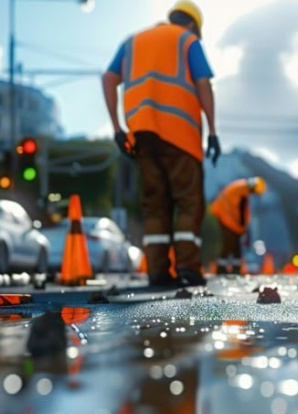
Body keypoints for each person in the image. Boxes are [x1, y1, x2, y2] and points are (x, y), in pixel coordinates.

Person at [102, 1, 220, 288]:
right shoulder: (187, 40)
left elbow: (108, 78)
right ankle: (189, 269)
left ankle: (157, 272)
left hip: (142, 134)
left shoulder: (133, 42)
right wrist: (213, 131)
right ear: (192, 24)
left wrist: (118, 128)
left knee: (155, 204)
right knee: (188, 202)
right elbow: (203, 84)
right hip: (180, 135)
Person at [210, 177, 267, 274]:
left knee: (235, 246)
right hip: (226, 219)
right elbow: (239, 212)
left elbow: (242, 212)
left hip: (226, 218)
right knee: (229, 244)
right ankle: (222, 269)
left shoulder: (241, 188)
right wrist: (241, 227)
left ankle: (234, 268)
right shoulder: (241, 191)